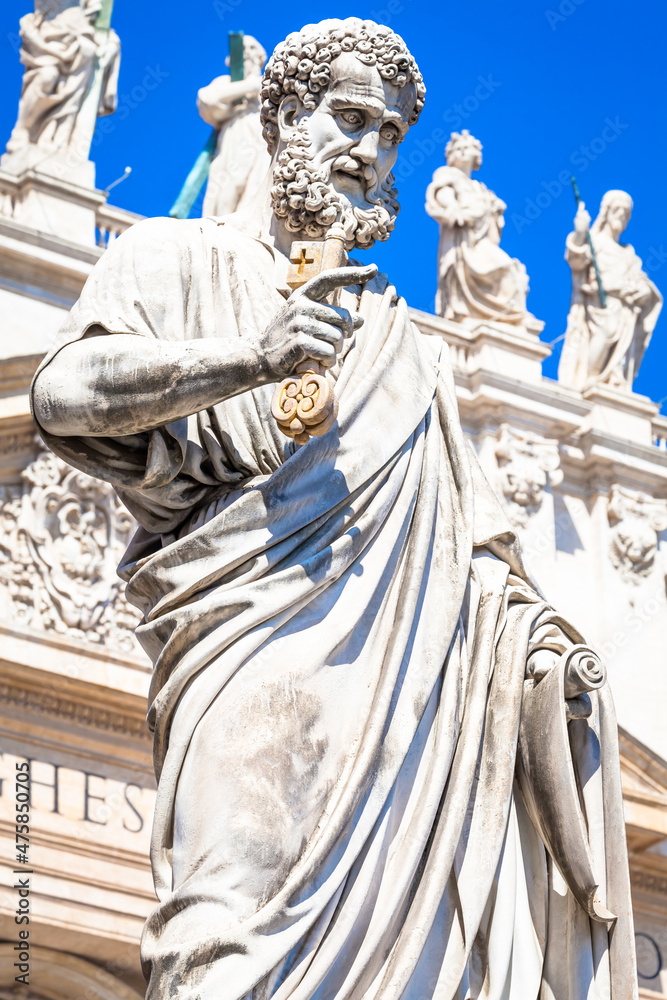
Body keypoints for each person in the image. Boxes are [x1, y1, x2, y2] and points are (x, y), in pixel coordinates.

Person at [31, 19, 636, 999]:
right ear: (278, 122)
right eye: (347, 117)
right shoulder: (174, 260)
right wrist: (251, 357)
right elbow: (63, 395)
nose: (368, 147)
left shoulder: (405, 349)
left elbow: (478, 565)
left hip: (395, 735)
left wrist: (542, 659)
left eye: (389, 132)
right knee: (215, 950)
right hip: (241, 683)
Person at [425, 129, 541, 331]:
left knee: (511, 270)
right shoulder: (447, 174)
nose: (461, 152)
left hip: (480, 242)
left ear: (476, 156)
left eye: (465, 148)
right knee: (505, 268)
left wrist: (494, 209)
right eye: (457, 149)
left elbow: (492, 225)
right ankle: (481, 316)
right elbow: (442, 194)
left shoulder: (480, 188)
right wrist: (454, 209)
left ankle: (512, 318)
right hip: (463, 242)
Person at [558, 190, 662, 391]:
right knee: (607, 330)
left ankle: (612, 380)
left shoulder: (629, 253)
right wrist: (580, 233)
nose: (621, 217)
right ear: (607, 212)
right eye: (618, 211)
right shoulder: (594, 241)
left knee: (619, 346)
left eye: (626, 214)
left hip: (626, 310)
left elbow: (643, 283)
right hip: (600, 306)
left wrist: (644, 292)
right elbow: (577, 260)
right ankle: (591, 378)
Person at [5, 0, 120, 157]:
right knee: (47, 76)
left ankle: (60, 141)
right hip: (51, 35)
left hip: (81, 38)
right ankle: (23, 130)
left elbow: (98, 9)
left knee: (74, 96)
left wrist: (107, 39)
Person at [197, 35, 270, 218]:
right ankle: (222, 225)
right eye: (244, 53)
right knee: (230, 182)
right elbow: (208, 98)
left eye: (252, 51)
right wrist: (248, 86)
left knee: (258, 183)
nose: (248, 56)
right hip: (238, 133)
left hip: (263, 136)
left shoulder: (269, 84)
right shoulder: (228, 82)